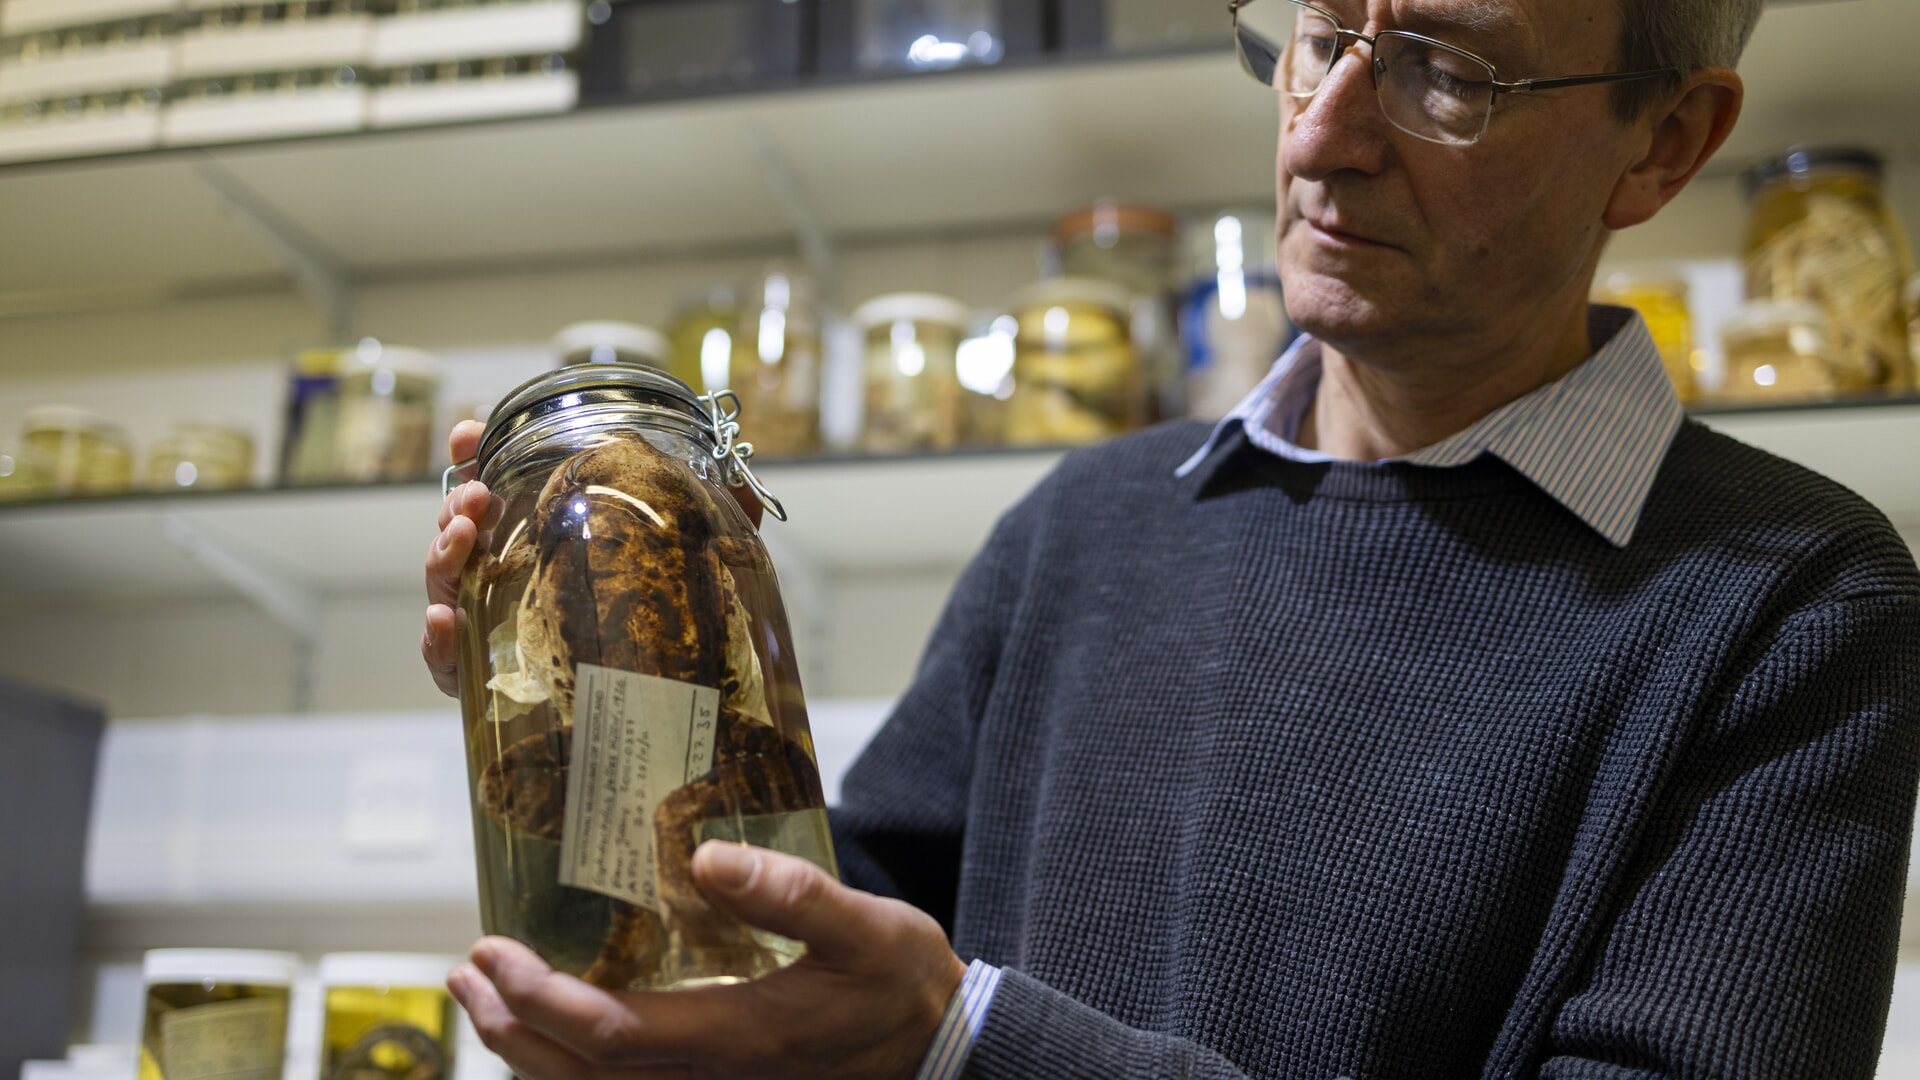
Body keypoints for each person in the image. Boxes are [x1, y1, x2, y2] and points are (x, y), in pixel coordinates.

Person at [421, 0, 1920, 1075]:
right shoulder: (1079, 527)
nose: (1323, 134)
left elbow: (916, 1024)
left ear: (1664, 143)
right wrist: (587, 671)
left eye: (1448, 72)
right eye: (1321, 34)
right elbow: (794, 964)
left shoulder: (1794, 600)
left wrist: (973, 1043)